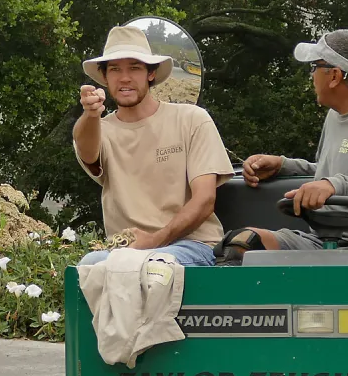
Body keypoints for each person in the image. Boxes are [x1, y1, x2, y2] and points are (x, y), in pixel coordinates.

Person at [231, 30, 348, 270]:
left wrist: (333, 185)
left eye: (314, 68)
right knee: (241, 245)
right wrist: (284, 165)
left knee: (343, 275)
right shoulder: (335, 115)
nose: (311, 76)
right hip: (327, 240)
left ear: (334, 76)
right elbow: (334, 172)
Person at [72, 24, 233, 266]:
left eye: (134, 68)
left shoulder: (192, 119)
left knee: (151, 269)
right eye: (115, 69)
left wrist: (156, 240)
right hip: (124, 254)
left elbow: (204, 200)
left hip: (191, 246)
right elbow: (86, 149)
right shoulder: (97, 129)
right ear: (105, 77)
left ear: (151, 73)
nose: (125, 77)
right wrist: (90, 114)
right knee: (88, 266)